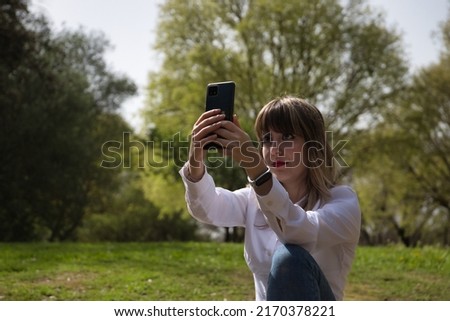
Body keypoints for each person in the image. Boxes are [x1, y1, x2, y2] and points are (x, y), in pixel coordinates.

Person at [179, 96, 361, 300]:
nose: (275, 149)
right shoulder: (252, 199)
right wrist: (195, 161)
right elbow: (207, 208)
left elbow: (300, 233)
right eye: (267, 139)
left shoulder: (342, 201)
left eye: (288, 136)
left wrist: (256, 169)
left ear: (313, 147)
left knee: (289, 259)